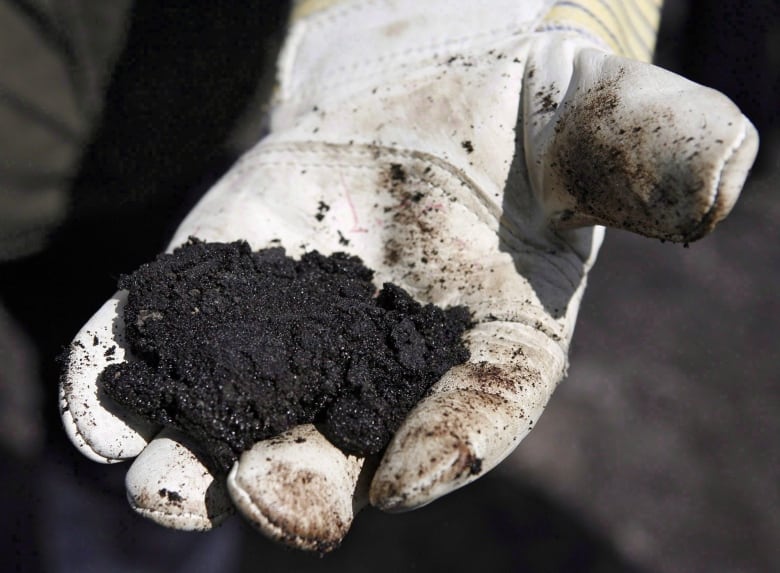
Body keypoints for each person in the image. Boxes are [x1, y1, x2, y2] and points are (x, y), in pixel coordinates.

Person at [1, 0, 761, 566]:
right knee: (89, 386)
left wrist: (445, 17)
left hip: (220, 113)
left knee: (116, 453)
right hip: (26, 163)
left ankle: (115, 539)